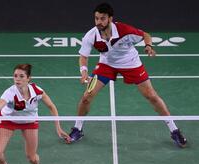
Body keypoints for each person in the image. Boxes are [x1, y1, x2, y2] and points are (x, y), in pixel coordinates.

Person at [68, 3, 187, 148]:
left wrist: (148, 46)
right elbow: (83, 56)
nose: (98, 22)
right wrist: (84, 72)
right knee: (87, 97)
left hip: (130, 63)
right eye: (96, 18)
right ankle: (77, 129)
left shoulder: (125, 30)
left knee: (152, 96)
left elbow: (145, 35)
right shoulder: (91, 35)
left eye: (102, 19)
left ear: (110, 19)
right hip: (106, 64)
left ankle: (174, 130)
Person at [0, 64, 70, 164]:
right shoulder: (9, 93)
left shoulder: (37, 91)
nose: (17, 79)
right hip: (8, 120)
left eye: (21, 76)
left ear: (29, 78)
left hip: (29, 121)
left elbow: (52, 106)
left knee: (31, 157)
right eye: (15, 76)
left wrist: (58, 128)